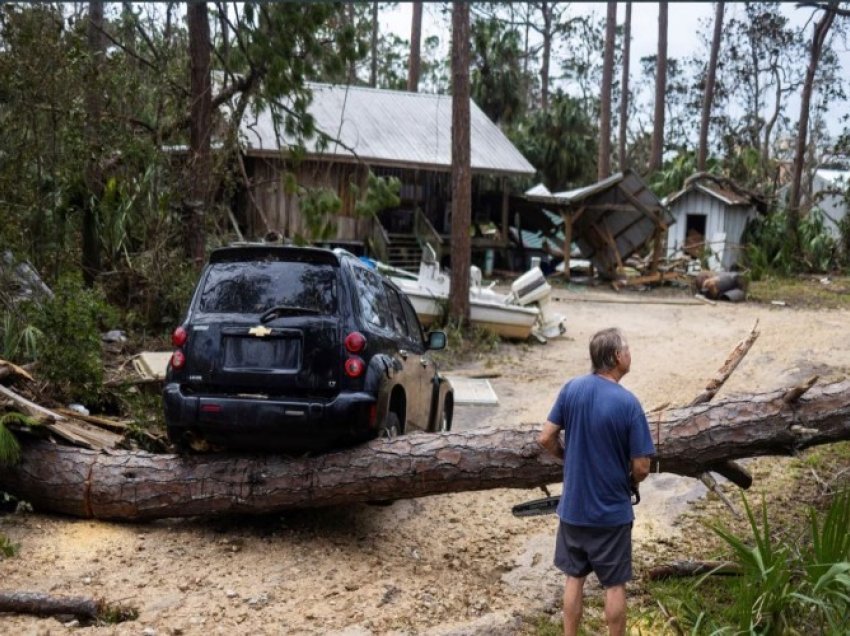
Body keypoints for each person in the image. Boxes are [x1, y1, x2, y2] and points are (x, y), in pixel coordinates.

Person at [538, 327, 655, 636]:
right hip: (611, 514)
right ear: (617, 357)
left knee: (573, 577)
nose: (630, 354)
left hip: (573, 509)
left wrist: (568, 458)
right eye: (627, 350)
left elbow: (546, 437)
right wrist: (631, 480)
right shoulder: (629, 403)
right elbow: (643, 465)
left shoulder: (571, 389)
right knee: (614, 584)